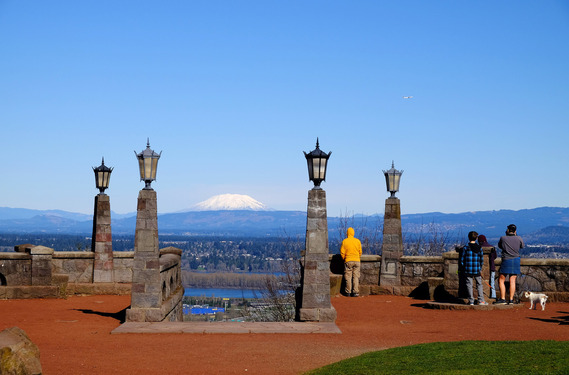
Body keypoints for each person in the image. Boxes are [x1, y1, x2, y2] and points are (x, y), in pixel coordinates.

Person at [494, 224, 524, 305]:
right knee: (512, 280)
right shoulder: (519, 238)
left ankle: (503, 298)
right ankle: (511, 299)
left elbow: (500, 246)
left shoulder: (503, 238)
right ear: (515, 231)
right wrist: (516, 235)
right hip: (516, 260)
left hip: (506, 260)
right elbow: (522, 246)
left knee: (501, 279)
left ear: (507, 230)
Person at [460, 231, 488, 306]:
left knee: (469, 284)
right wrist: (480, 268)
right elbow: (481, 260)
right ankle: (481, 300)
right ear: (476, 238)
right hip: (477, 269)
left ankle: (471, 300)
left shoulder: (466, 247)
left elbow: (462, 259)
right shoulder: (479, 248)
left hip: (468, 269)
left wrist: (464, 266)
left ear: (469, 237)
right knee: (479, 284)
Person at [340, 227, 362, 297]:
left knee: (348, 277)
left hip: (348, 260)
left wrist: (344, 259)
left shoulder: (345, 241)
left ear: (347, 233)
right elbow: (360, 252)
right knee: (356, 277)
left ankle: (348, 292)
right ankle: (355, 292)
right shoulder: (357, 241)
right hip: (357, 260)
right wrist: (357, 257)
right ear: (353, 233)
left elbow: (342, 253)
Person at [478, 234, 497, 299]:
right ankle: (493, 295)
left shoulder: (479, 248)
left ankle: (482, 295)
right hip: (492, 267)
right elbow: (495, 256)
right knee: (492, 282)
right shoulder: (492, 247)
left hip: (480, 268)